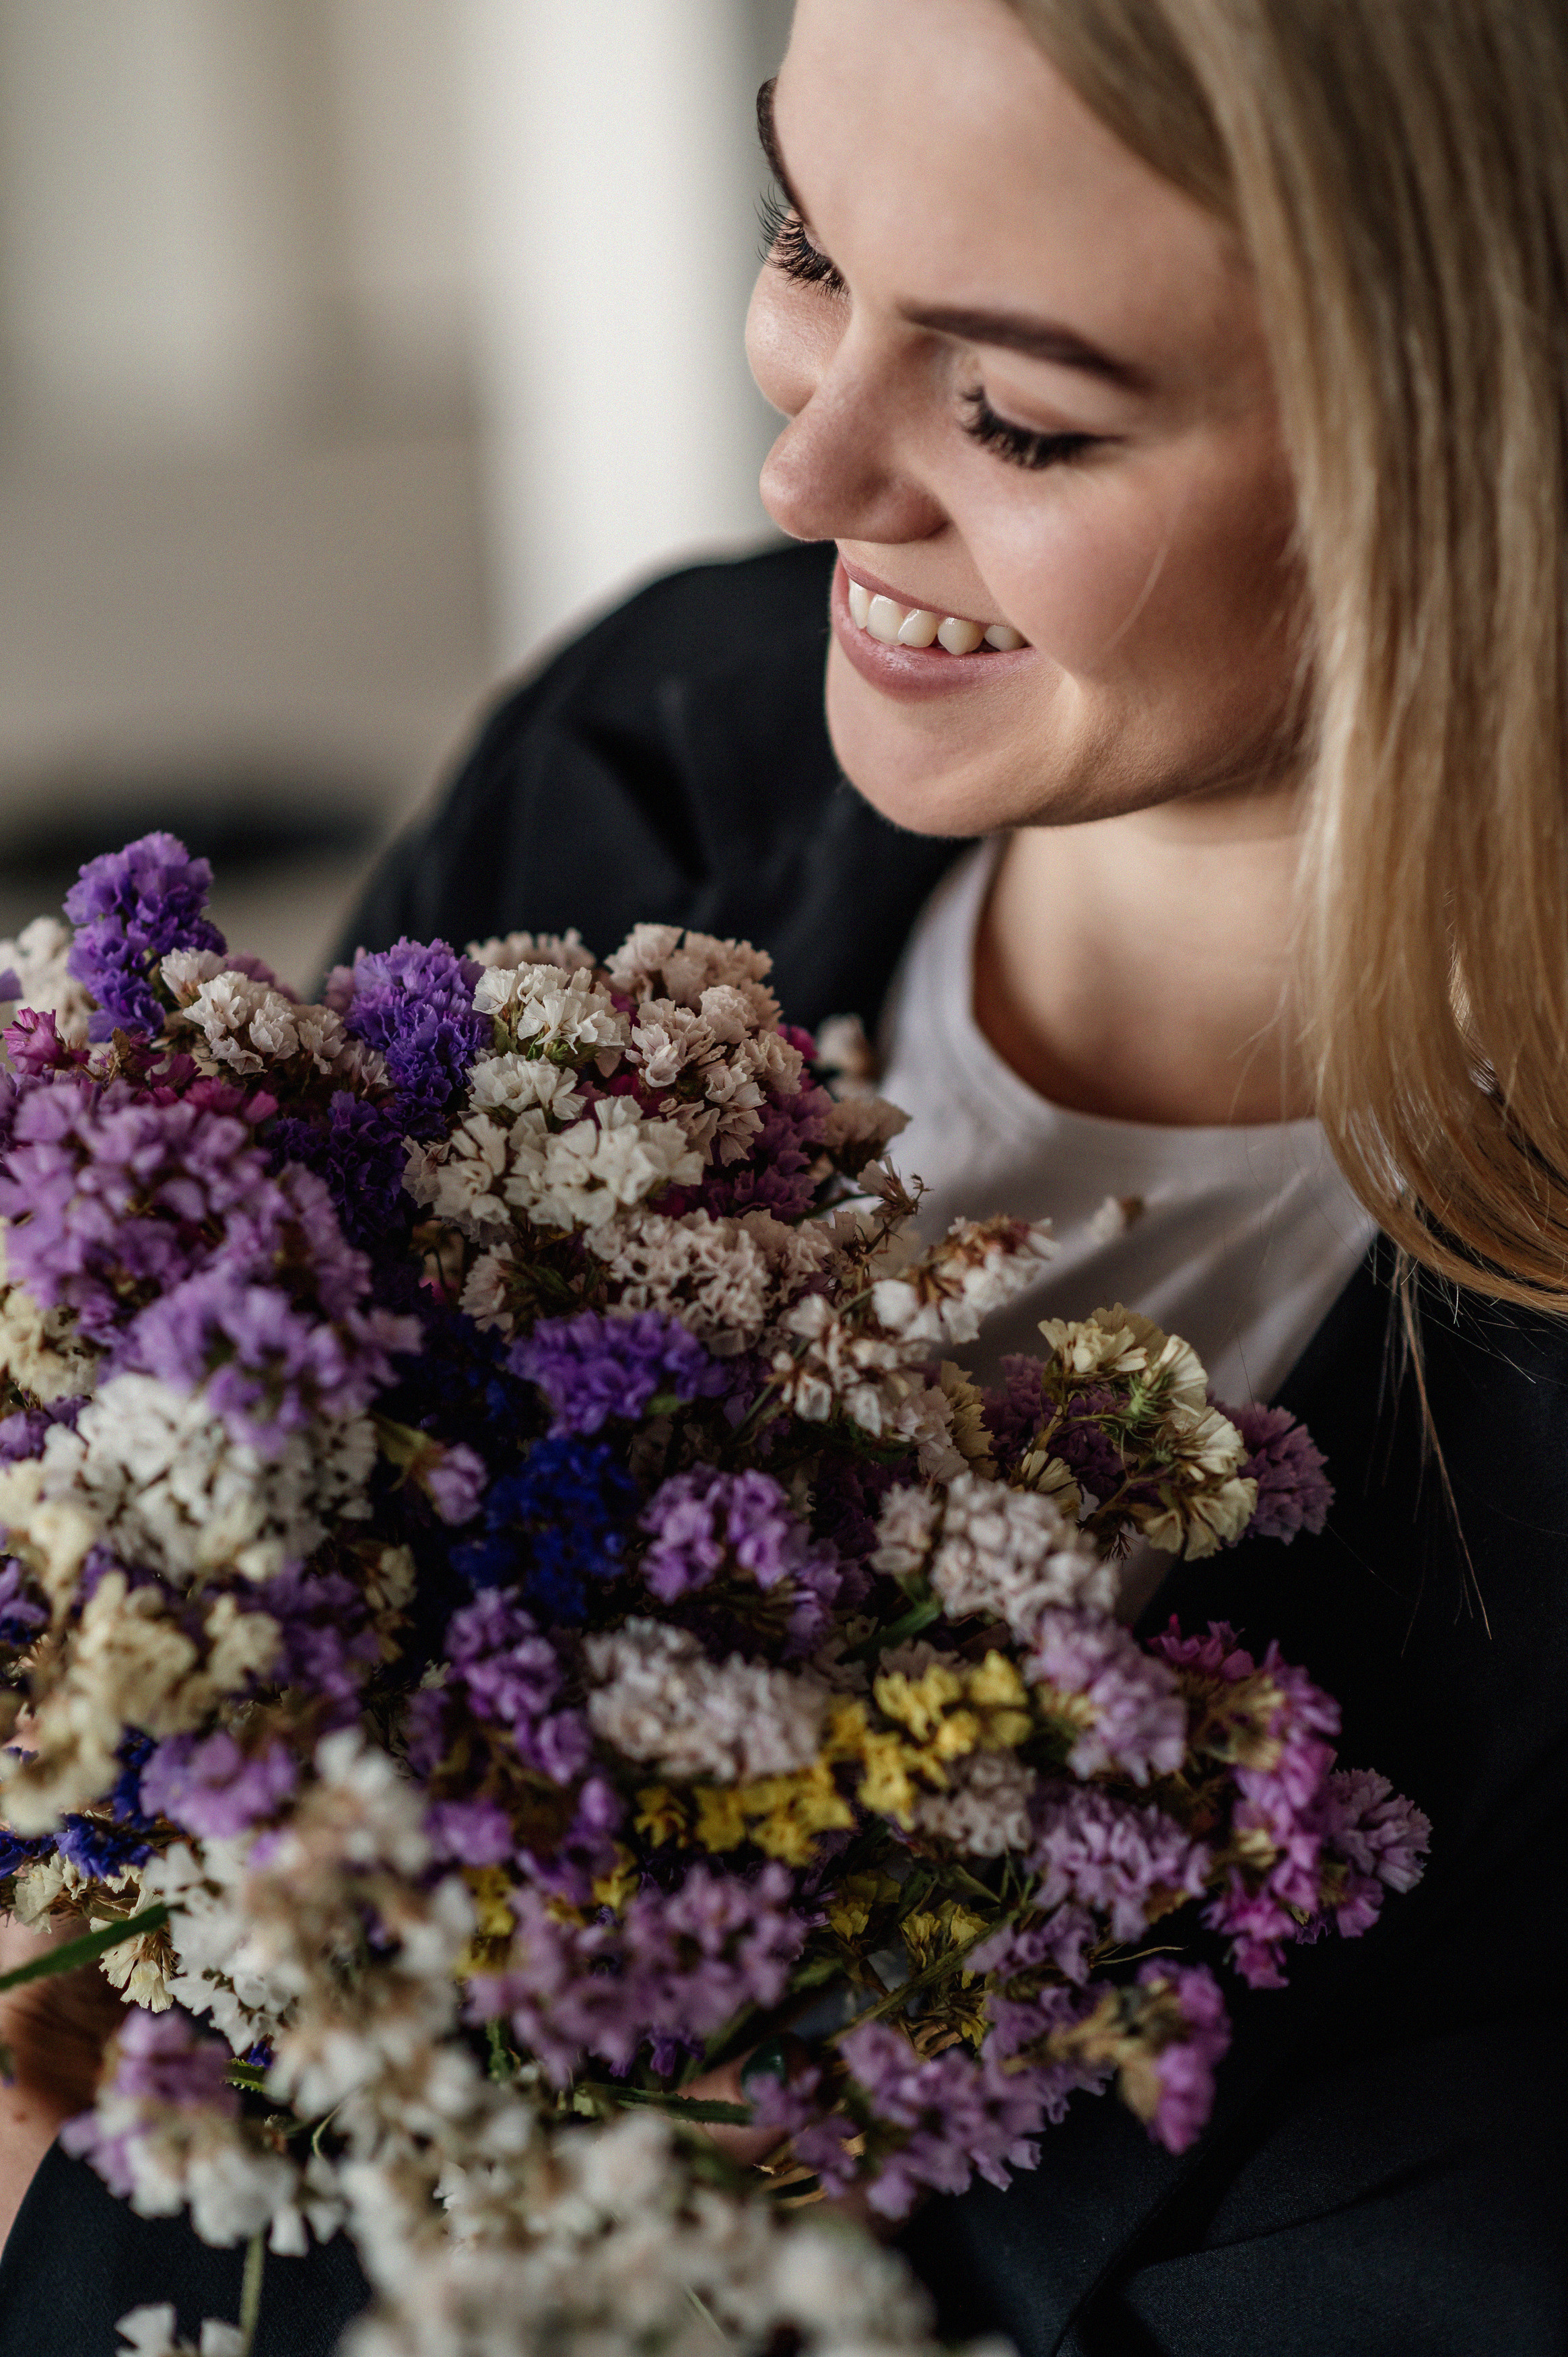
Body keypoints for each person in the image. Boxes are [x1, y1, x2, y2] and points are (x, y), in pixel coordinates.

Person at [3, 3, 1565, 2350]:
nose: (805, 472)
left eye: (1021, 412)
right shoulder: (660, 750)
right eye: (803, 243)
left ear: (1487, 444)